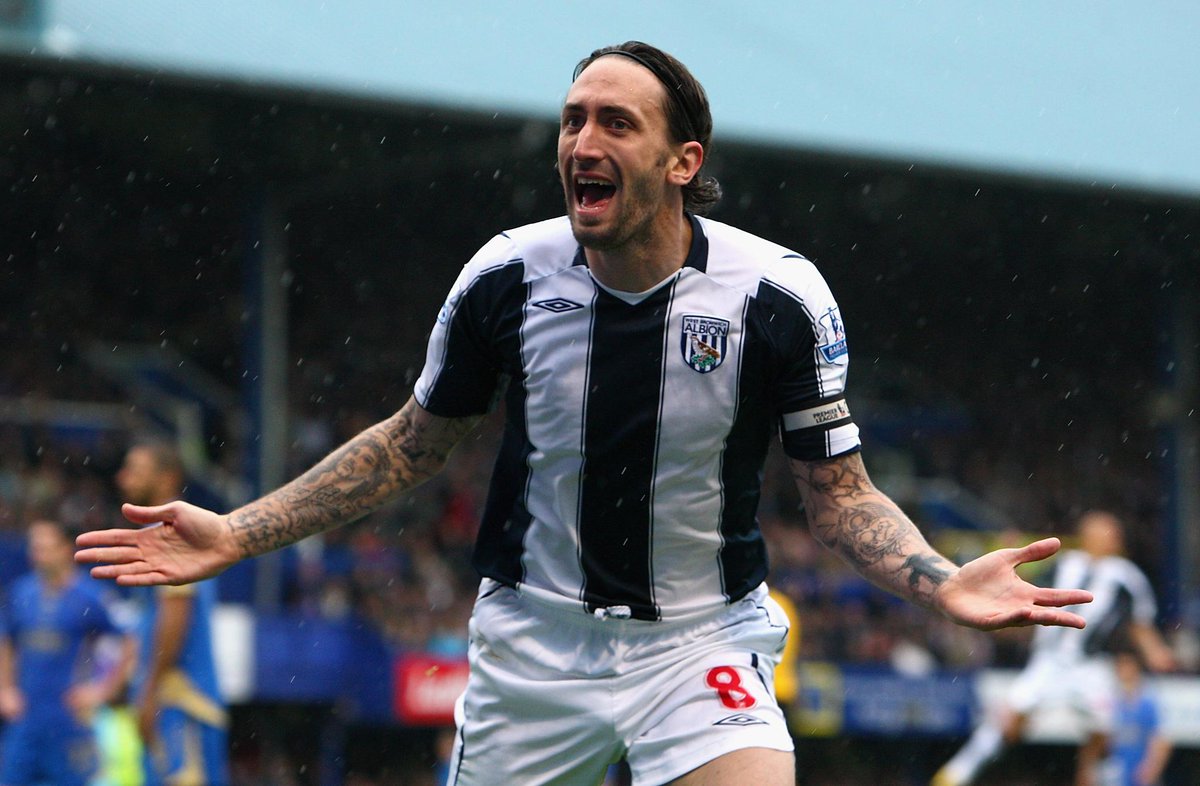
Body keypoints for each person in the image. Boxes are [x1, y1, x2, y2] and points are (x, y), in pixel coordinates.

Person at [77, 42, 1093, 786]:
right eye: (573, 120)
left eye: (615, 123)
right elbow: (409, 446)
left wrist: (938, 582)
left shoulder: (777, 297)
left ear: (683, 161)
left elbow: (840, 495)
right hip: (534, 647)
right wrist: (238, 532)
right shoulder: (507, 278)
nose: (582, 142)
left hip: (700, 639)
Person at [932, 510, 1175, 786]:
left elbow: (1140, 623)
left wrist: (1156, 651)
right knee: (1009, 720)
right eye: (1092, 531)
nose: (1097, 538)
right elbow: (1024, 586)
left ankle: (1090, 775)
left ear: (1116, 539)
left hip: (1091, 666)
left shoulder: (1127, 576)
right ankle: (955, 775)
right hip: (1048, 660)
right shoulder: (1065, 563)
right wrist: (1013, 559)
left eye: (1103, 533)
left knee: (1105, 729)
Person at [114, 441, 229, 786]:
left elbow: (176, 613)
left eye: (135, 470)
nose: (123, 478)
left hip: (180, 700)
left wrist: (149, 693)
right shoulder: (157, 531)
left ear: (168, 478)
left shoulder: (171, 532)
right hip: (169, 697)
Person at [0, 518, 135, 786]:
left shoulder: (91, 596)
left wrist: (103, 691)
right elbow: (7, 642)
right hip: (25, 718)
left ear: (65, 549)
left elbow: (131, 642)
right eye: (34, 548)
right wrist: (5, 689)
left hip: (69, 720)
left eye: (45, 548)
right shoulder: (21, 592)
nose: (38, 555)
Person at [1102, 650, 1173, 786]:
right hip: (1117, 771)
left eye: (1127, 665)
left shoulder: (1148, 702)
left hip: (1140, 772)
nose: (1123, 670)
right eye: (1120, 665)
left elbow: (1162, 740)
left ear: (1136, 668)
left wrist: (1151, 768)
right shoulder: (1113, 701)